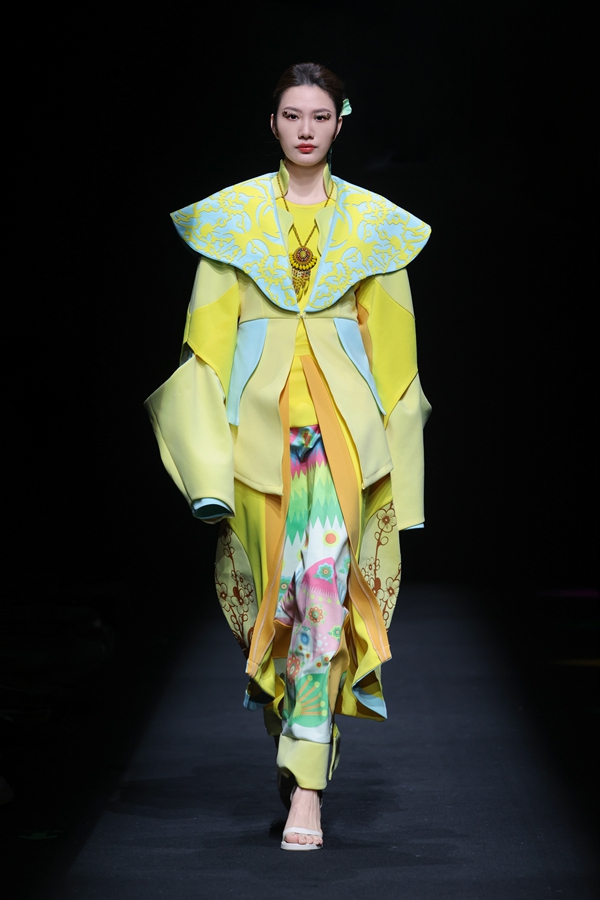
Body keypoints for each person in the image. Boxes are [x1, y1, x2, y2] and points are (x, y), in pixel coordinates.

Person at [145, 62, 431, 851]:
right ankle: (299, 735)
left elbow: (398, 361)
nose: (306, 129)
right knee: (274, 610)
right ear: (271, 123)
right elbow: (202, 355)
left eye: (320, 116)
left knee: (321, 592)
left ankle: (307, 787)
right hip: (255, 440)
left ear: (341, 122)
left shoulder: (374, 226)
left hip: (339, 440)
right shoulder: (232, 222)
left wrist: (403, 477)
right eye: (291, 115)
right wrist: (204, 467)